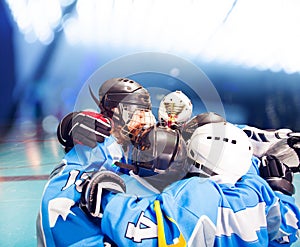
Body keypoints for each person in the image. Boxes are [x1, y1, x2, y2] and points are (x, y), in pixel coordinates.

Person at [82, 118, 300, 246]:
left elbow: (139, 232)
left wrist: (106, 195)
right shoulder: (257, 189)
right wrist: (280, 190)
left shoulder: (194, 194)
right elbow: (286, 231)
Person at [36, 77, 156, 246]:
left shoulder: (125, 147)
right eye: (138, 110)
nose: (146, 118)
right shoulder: (98, 142)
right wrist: (71, 124)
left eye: (147, 111)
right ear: (117, 110)